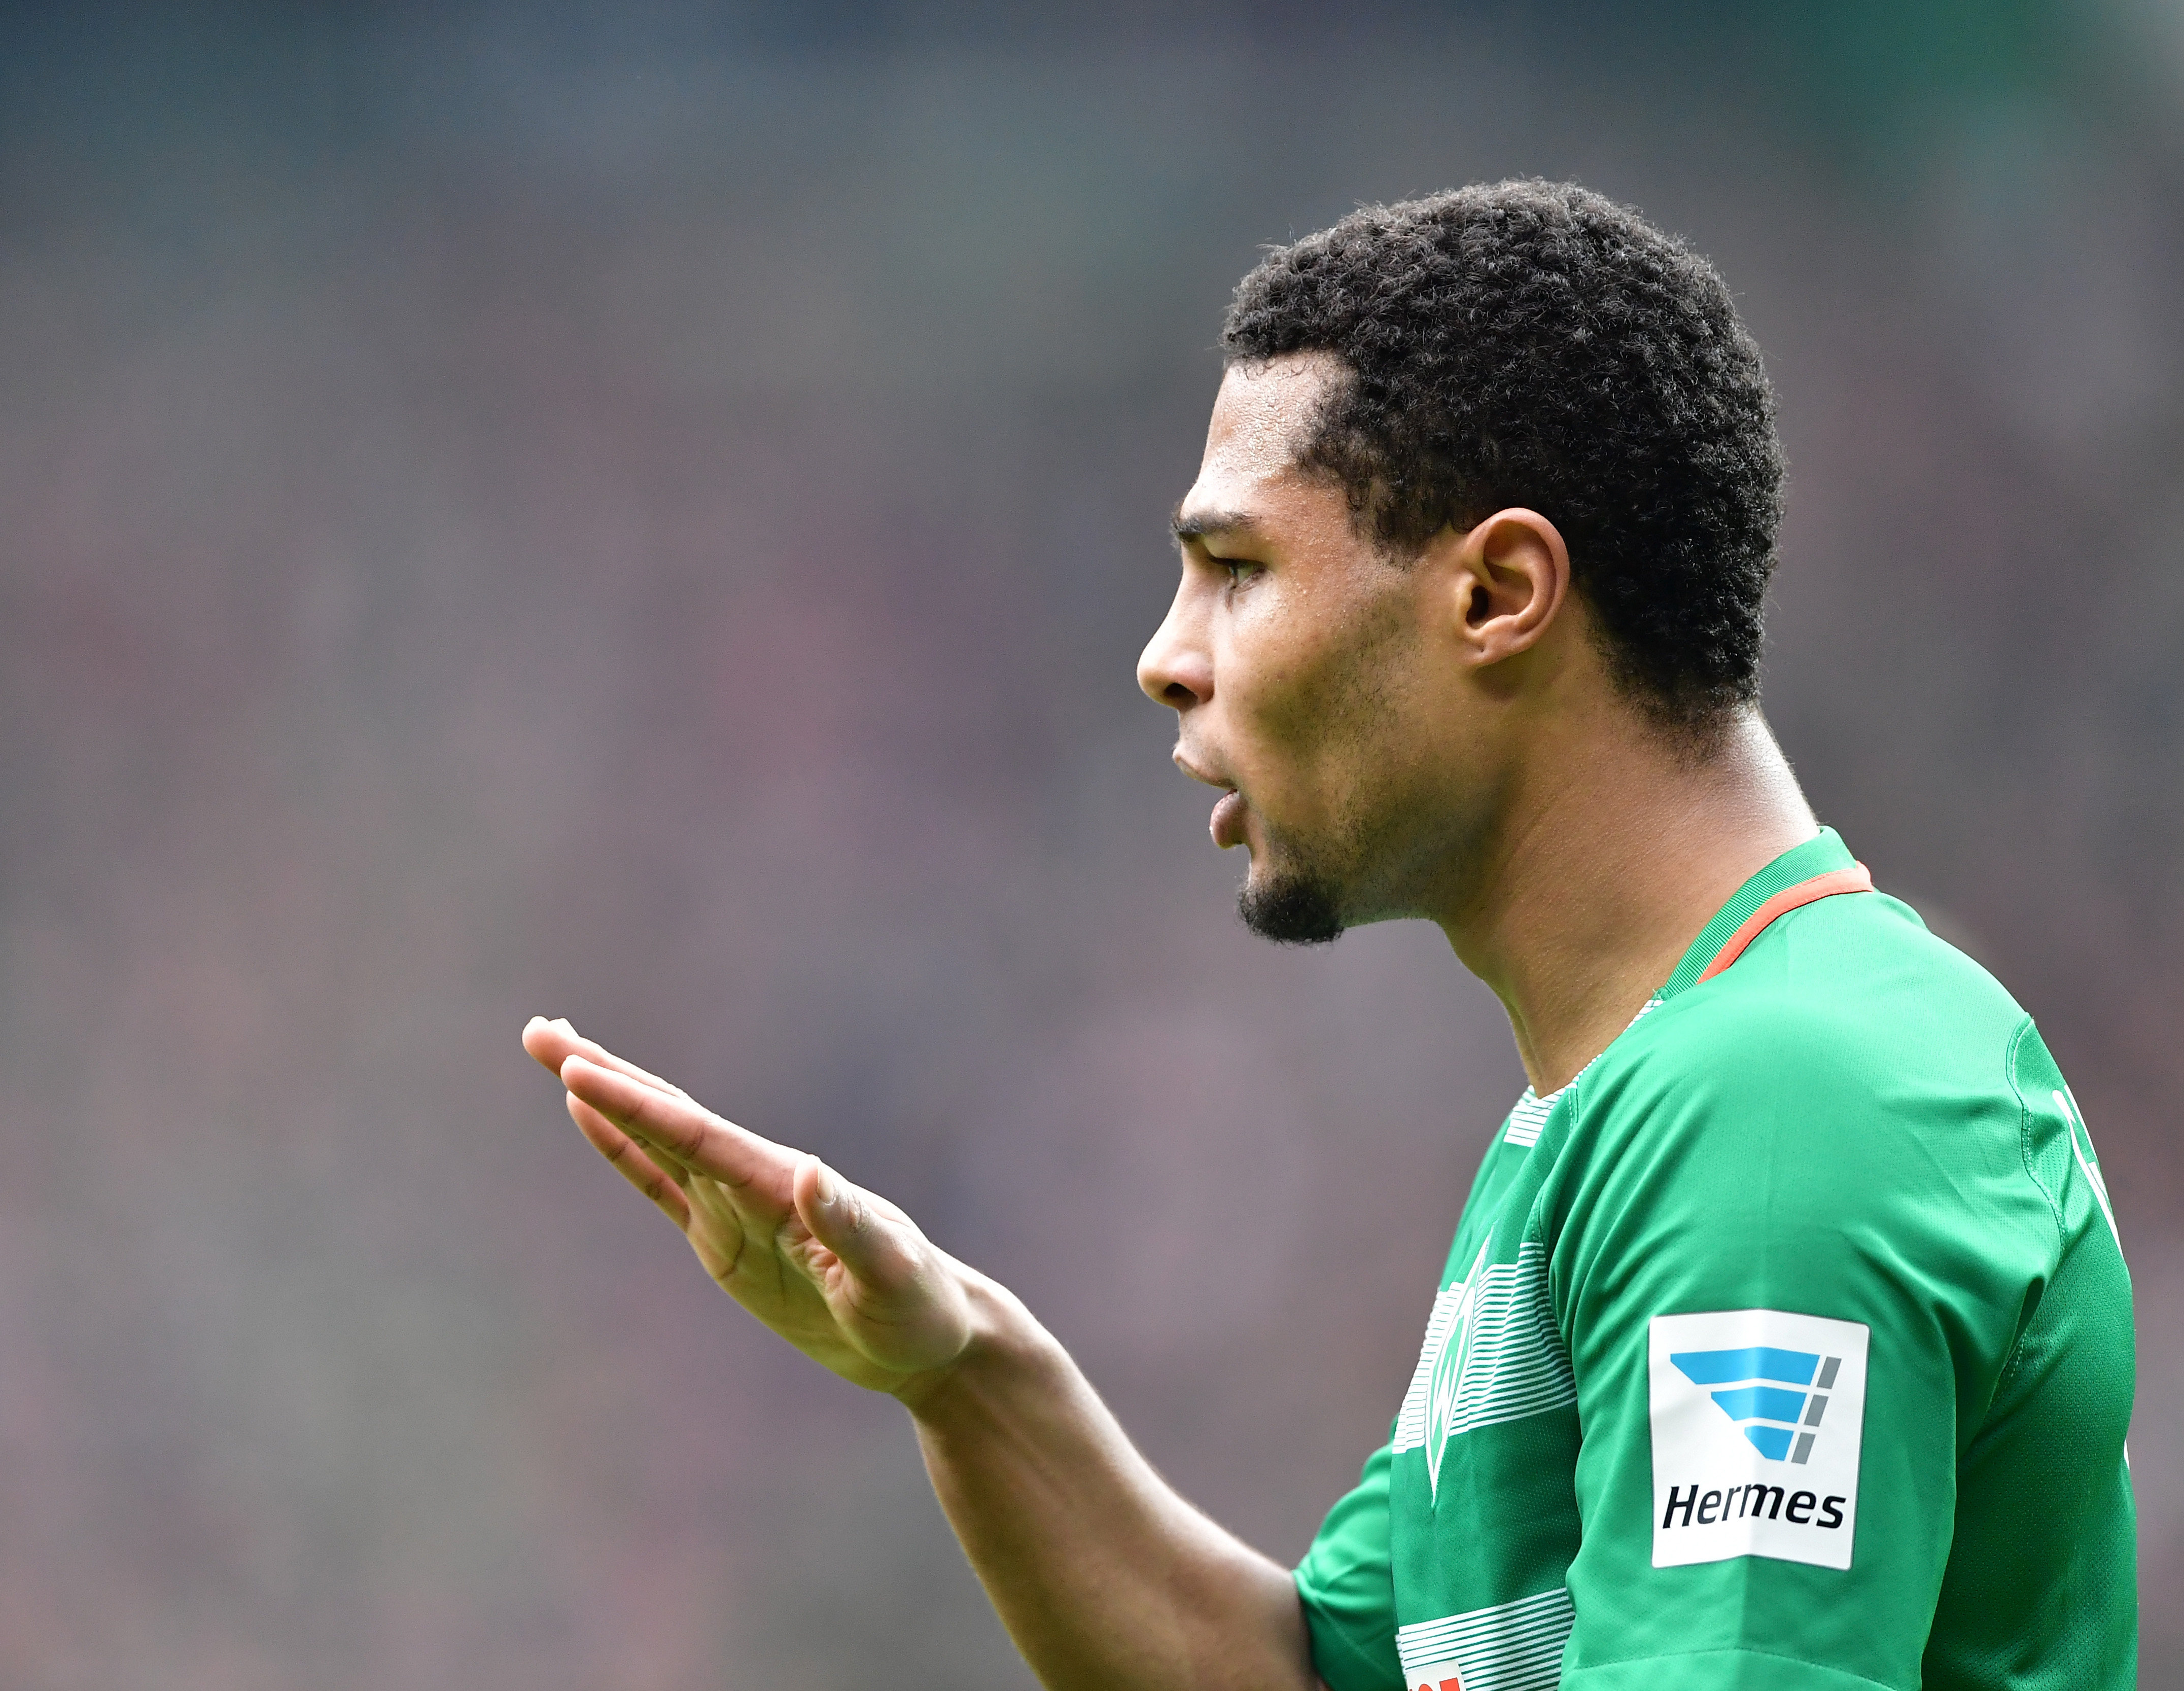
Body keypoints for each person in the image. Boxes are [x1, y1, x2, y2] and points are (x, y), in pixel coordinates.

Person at [519, 181, 2135, 1690]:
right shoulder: (1620, 1108)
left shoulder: (1782, 1109)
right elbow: (1304, 1674)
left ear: (1496, 592)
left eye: (1235, 567)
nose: (1166, 657)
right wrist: (964, 1372)